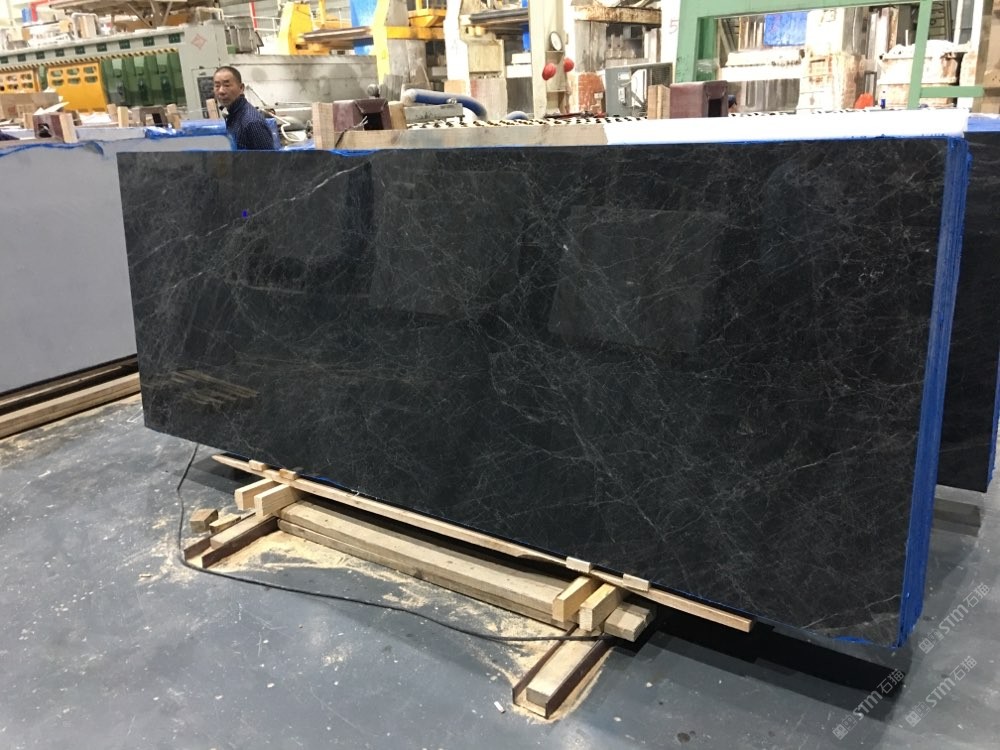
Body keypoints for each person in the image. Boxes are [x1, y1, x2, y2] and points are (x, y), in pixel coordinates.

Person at [212, 66, 276, 150]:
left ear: (241, 88)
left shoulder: (252, 122)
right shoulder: (233, 116)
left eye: (227, 85)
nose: (221, 91)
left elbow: (268, 157)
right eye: (217, 86)